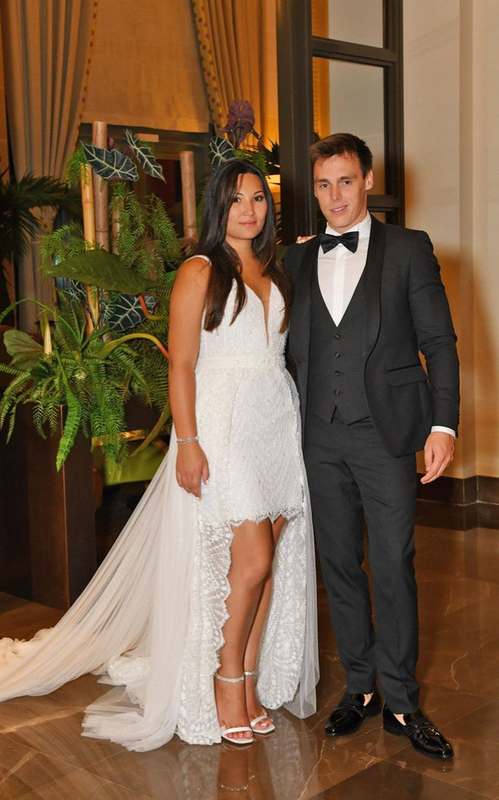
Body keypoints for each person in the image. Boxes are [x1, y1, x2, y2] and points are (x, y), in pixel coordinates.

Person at [0, 159, 317, 752]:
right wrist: (188, 443)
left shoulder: (276, 271)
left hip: (275, 425)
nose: (248, 210)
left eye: (257, 199)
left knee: (267, 565)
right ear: (217, 207)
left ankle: (249, 680)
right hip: (224, 429)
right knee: (249, 564)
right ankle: (225, 680)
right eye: (235, 199)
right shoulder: (200, 270)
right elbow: (181, 364)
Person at [285, 133, 459, 760]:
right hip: (318, 436)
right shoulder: (295, 260)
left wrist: (443, 426)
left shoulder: (408, 249)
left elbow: (439, 343)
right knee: (338, 564)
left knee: (392, 563)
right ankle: (360, 688)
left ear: (367, 181)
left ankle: (403, 701)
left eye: (346, 181)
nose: (335, 195)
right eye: (323, 184)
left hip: (386, 435)